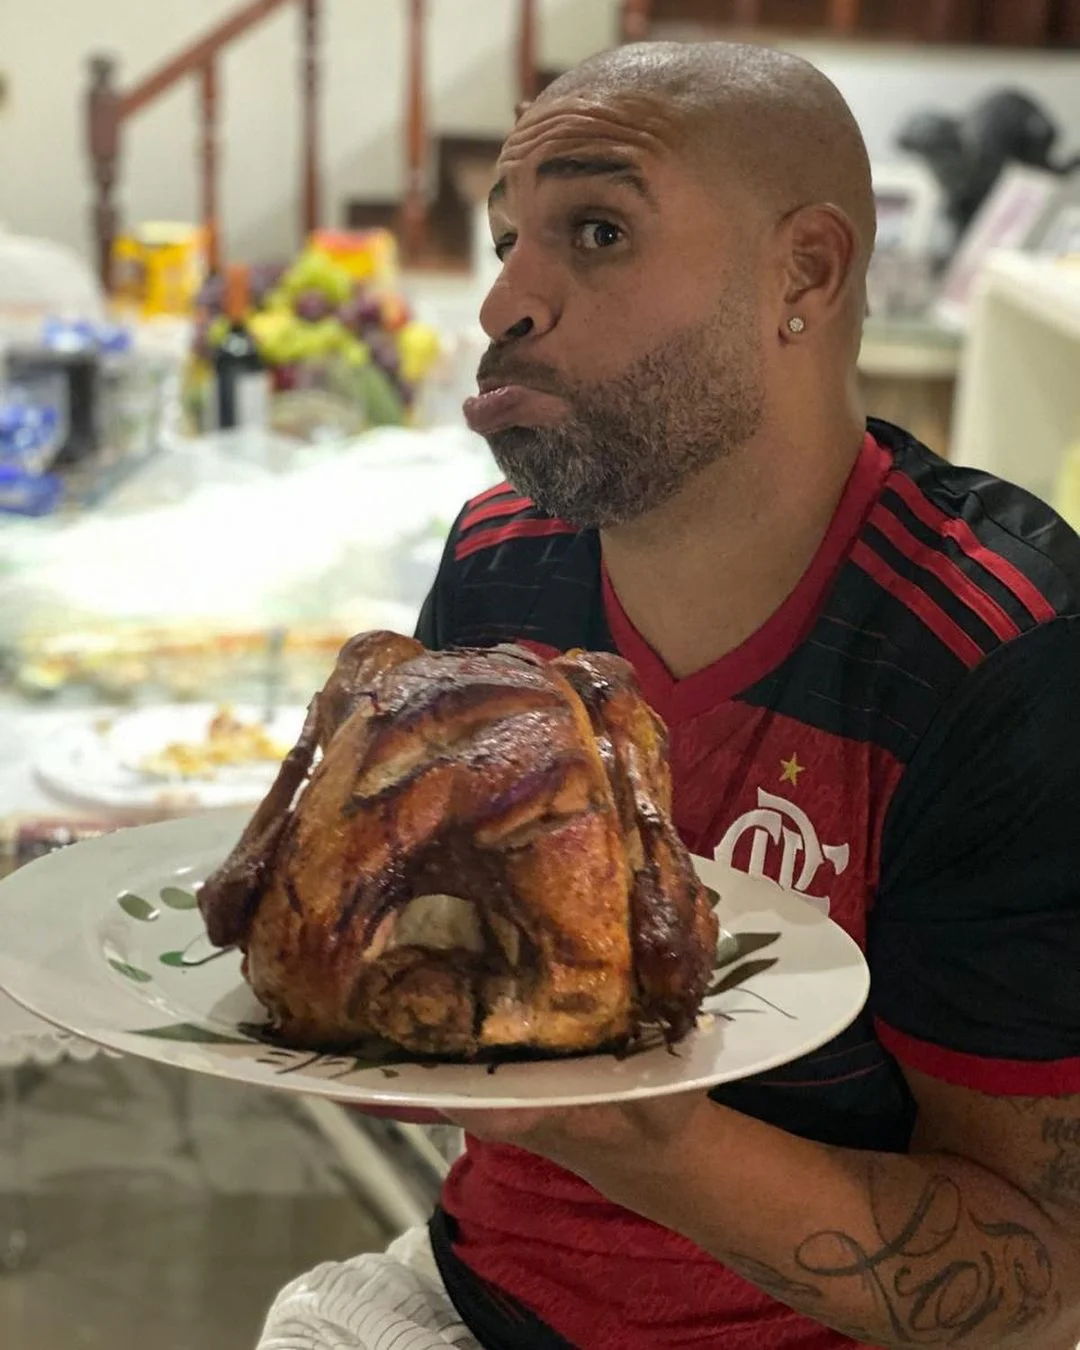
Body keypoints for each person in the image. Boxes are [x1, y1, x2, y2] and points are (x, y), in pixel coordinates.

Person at [259, 40, 1080, 1350]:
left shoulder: (994, 651)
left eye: (597, 231)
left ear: (804, 273)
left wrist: (639, 1135)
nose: (504, 304)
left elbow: (1040, 1284)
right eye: (506, 240)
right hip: (475, 1295)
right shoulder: (498, 562)